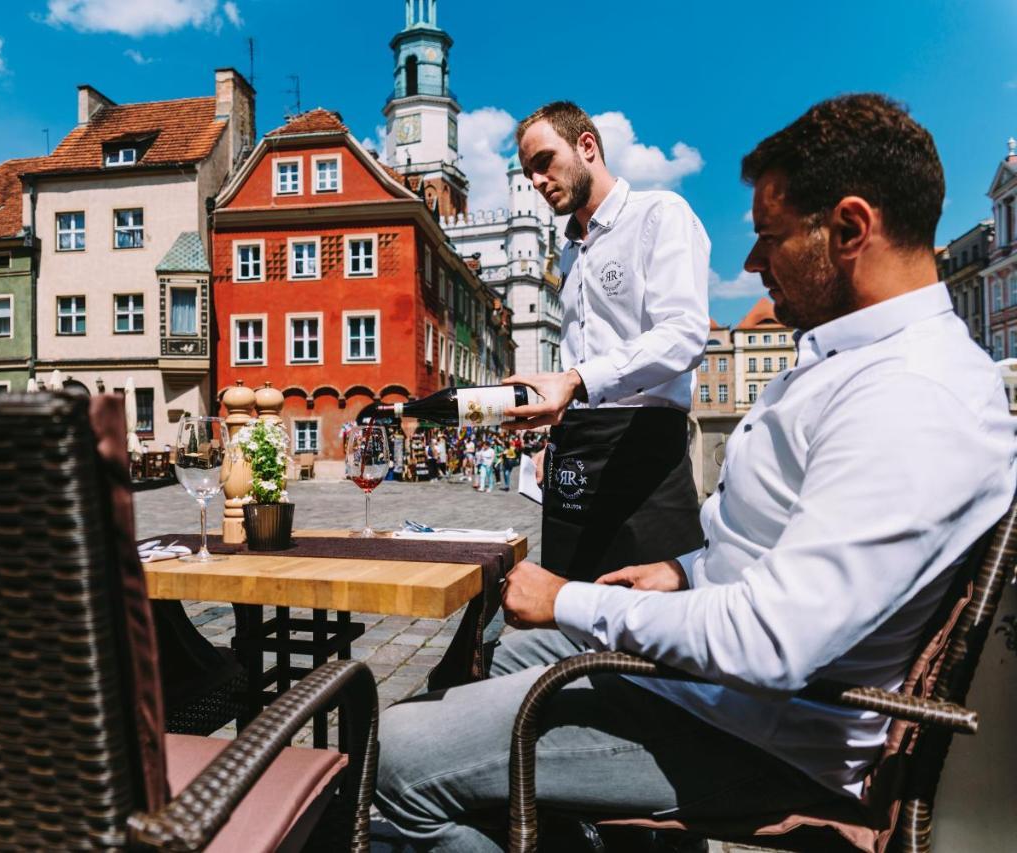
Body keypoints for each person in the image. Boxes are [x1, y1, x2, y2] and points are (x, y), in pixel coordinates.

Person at [376, 94, 1017, 852]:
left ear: (849, 228)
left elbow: (771, 639)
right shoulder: (852, 357)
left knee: (389, 758)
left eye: (769, 239)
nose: (748, 265)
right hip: (719, 686)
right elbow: (774, 557)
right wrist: (682, 571)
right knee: (502, 647)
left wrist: (572, 599)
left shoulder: (913, 396)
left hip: (753, 728)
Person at [501, 101, 711, 582]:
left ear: (587, 146)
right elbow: (584, 351)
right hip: (578, 450)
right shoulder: (569, 250)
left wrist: (573, 383)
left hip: (644, 451)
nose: (535, 181)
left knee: (649, 623)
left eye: (544, 163)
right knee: (566, 605)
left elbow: (684, 335)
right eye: (527, 172)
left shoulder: (659, 214)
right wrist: (557, 431)